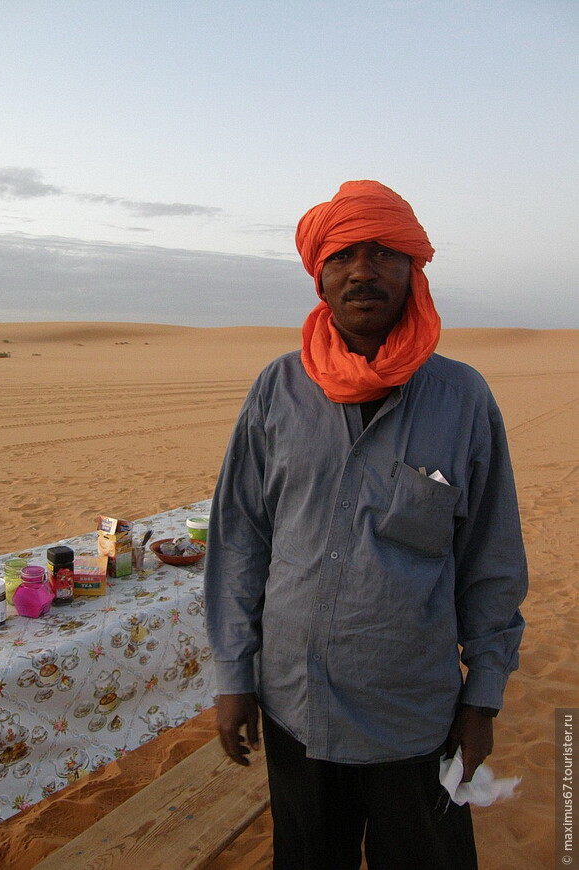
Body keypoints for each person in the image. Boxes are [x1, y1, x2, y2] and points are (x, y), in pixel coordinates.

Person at [204, 180, 527, 869]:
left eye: (384, 254)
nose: (362, 270)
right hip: (296, 703)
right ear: (318, 275)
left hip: (412, 714)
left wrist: (484, 698)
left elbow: (490, 561)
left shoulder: (462, 398)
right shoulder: (276, 390)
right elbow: (239, 540)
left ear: (413, 271)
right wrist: (233, 674)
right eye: (343, 254)